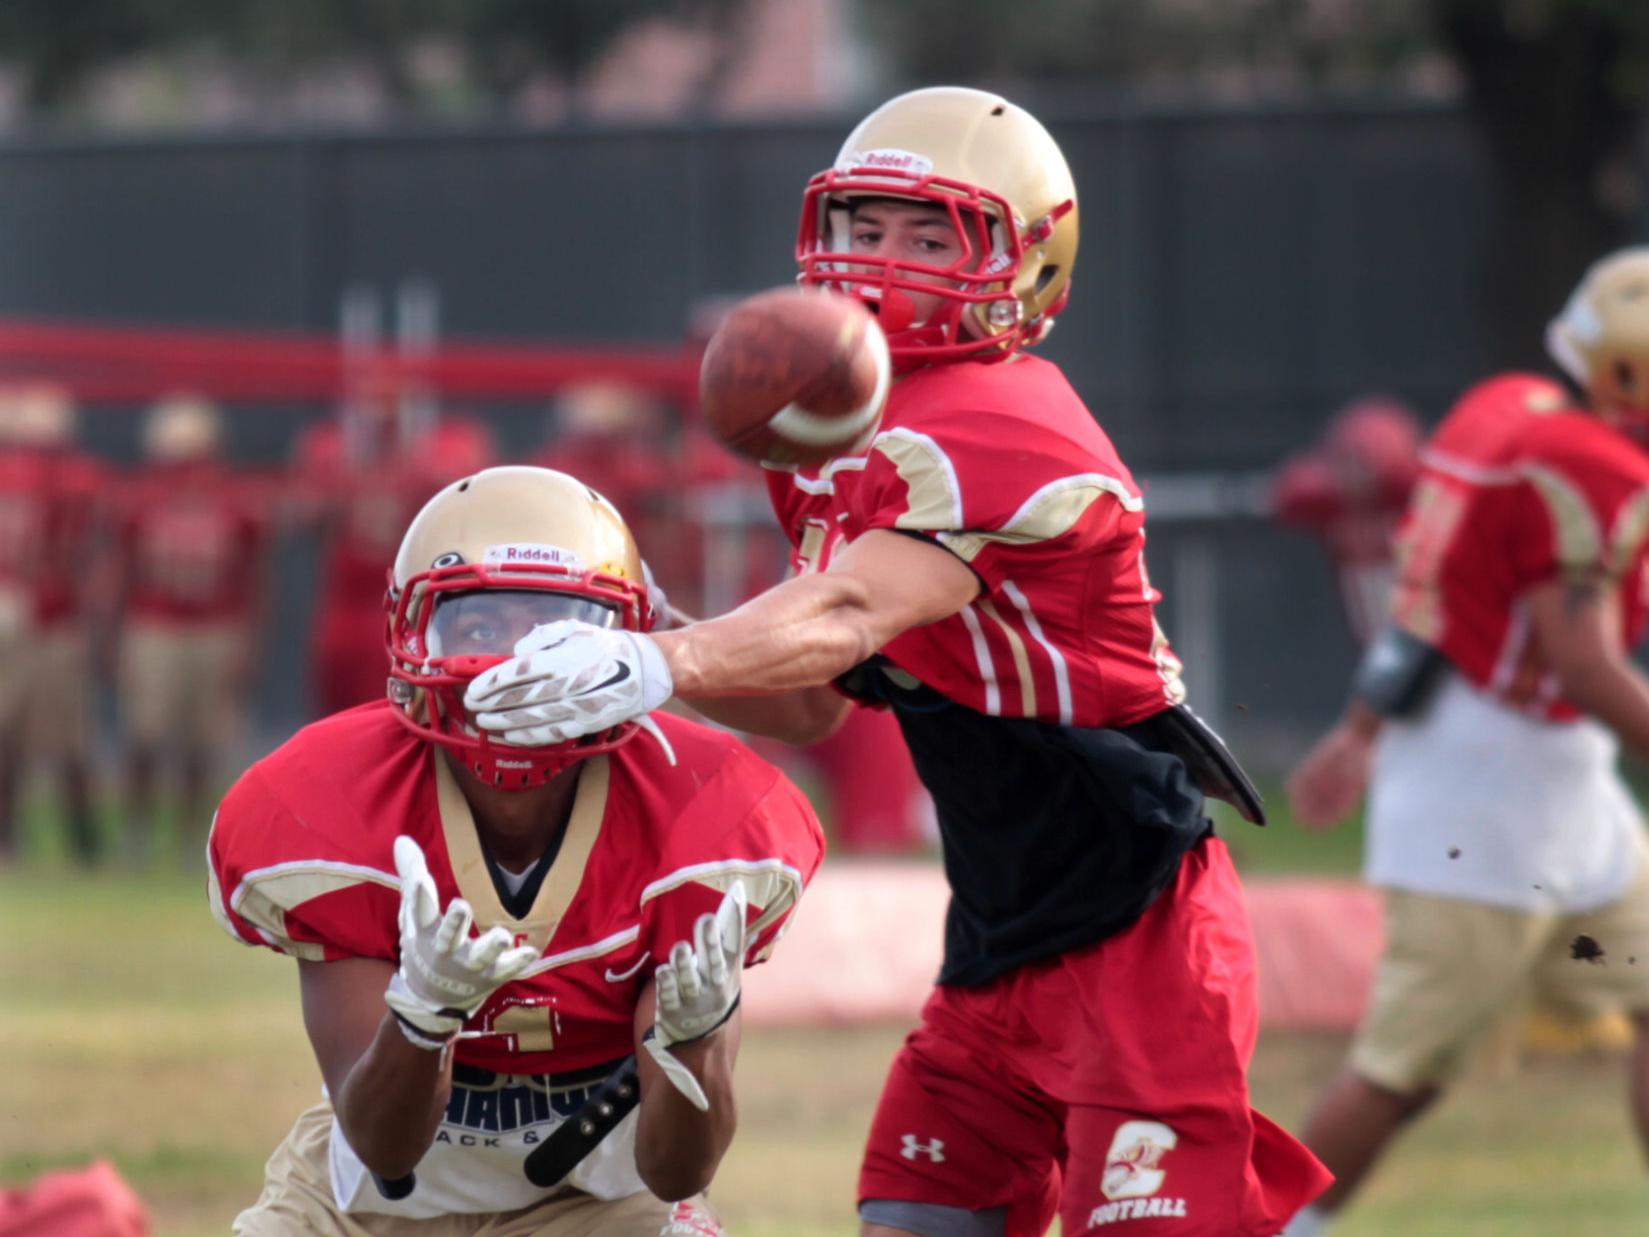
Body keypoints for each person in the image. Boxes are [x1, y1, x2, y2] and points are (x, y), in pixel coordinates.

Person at [457, 87, 1330, 1236]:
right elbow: (817, 700)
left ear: (1026, 270)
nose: (882, 264)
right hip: (994, 943)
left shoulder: (1007, 418)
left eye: (931, 239)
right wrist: (662, 643)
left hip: (1139, 934)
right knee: (911, 1220)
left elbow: (854, 607)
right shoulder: (837, 431)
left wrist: (654, 656)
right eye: (864, 229)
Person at [207, 465, 824, 1234]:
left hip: (596, 1200)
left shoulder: (703, 812)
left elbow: (676, 1170)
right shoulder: (326, 803)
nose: (519, 659)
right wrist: (422, 1017)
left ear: (628, 641)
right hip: (369, 1207)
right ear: (409, 629)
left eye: (554, 627)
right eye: (480, 626)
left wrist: (694, 1045)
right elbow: (381, 1144)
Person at [1280, 248, 1649, 1235]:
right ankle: (1279, 1230)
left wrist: (1361, 727)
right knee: (1405, 1071)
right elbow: (1582, 662)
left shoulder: (1503, 406)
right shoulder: (1592, 465)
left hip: (1545, 774)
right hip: (1489, 801)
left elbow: (1430, 595)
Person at [113, 395, 270, 860]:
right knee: (145, 732)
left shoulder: (232, 500)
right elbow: (123, 567)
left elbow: (253, 575)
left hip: (215, 625)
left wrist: (248, 637)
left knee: (202, 741)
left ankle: (187, 834)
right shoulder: (144, 497)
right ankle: (136, 829)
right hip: (155, 623)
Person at [292, 385, 495, 718]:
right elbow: (302, 512)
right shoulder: (339, 457)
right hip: (348, 598)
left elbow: (472, 498)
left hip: (406, 601)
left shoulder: (435, 455)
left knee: (394, 706)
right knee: (336, 706)